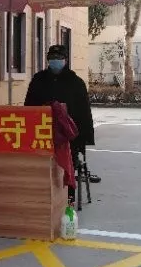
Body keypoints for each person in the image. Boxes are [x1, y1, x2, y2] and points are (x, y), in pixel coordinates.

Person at [24, 44, 98, 201]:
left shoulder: (76, 82)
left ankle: (68, 201)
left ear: (65, 60)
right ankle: (43, 201)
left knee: (66, 168)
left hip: (68, 137)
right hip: (42, 134)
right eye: (52, 58)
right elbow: (28, 107)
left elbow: (84, 113)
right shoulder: (38, 80)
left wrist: (83, 141)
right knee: (42, 169)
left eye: (58, 58)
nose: (55, 61)